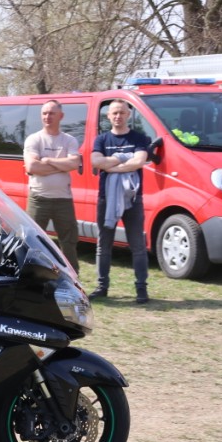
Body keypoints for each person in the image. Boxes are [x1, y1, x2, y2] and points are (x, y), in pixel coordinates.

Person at [90, 99, 151, 304]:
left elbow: (139, 161)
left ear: (128, 115)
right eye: (114, 113)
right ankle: (102, 287)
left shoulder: (139, 138)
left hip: (133, 198)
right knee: (103, 244)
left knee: (137, 245)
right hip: (106, 198)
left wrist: (111, 165)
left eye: (122, 113)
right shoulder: (101, 139)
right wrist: (124, 159)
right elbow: (95, 161)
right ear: (108, 116)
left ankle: (141, 288)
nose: (118, 116)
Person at [23, 100, 81, 271]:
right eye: (44, 113)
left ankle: (72, 278)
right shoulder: (34, 139)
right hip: (38, 199)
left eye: (51, 113)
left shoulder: (69, 140)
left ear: (61, 116)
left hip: (63, 200)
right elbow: (32, 167)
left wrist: (47, 160)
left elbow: (74, 164)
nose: (47, 116)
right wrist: (62, 166)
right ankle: (32, 277)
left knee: (69, 242)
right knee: (32, 240)